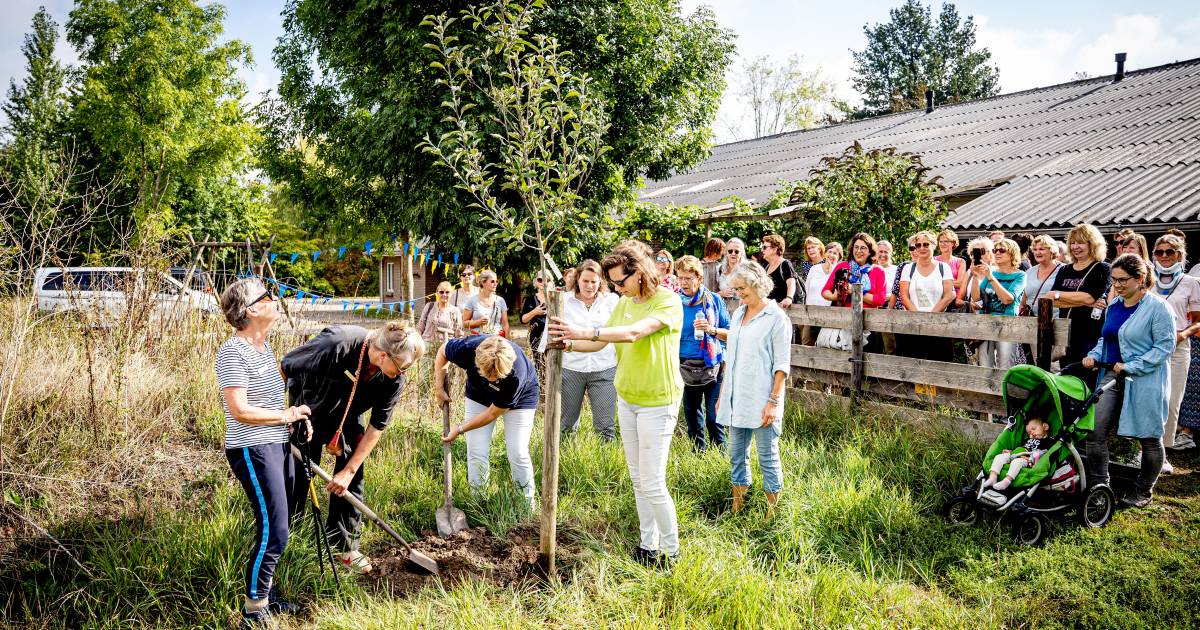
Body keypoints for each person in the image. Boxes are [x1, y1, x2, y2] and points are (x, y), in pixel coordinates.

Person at [548, 241, 685, 566]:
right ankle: (647, 545)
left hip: (658, 400)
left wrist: (584, 329)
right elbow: (599, 343)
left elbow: (636, 333)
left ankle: (672, 551)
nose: (618, 288)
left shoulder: (668, 302)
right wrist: (569, 344)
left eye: (621, 281)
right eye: (614, 284)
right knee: (638, 478)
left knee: (653, 481)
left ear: (640, 273)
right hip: (629, 398)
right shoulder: (624, 303)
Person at [282, 320, 425, 574]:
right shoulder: (336, 343)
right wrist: (283, 414)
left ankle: (344, 546)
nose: (404, 372)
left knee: (353, 473)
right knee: (298, 475)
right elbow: (286, 366)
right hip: (308, 408)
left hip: (349, 416)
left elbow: (376, 427)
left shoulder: (393, 378)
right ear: (383, 354)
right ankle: (287, 539)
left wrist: (347, 471)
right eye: (403, 367)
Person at [216, 279, 310, 627]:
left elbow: (268, 403)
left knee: (279, 525)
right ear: (251, 310)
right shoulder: (232, 352)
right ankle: (254, 612)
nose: (275, 300)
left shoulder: (263, 349)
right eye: (268, 297)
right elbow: (239, 409)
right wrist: (284, 415)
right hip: (252, 449)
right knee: (275, 530)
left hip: (276, 443)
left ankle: (268, 596)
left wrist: (293, 419)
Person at [1082, 254, 1175, 508]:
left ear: (1140, 278)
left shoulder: (1159, 308)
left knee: (1149, 436)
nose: (1117, 285)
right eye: (1114, 280)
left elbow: (1164, 347)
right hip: (1112, 376)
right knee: (1095, 431)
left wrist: (1131, 366)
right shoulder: (1114, 306)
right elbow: (1107, 339)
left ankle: (1143, 490)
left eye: (1123, 280)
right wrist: (1093, 355)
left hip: (1144, 379)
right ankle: (1101, 487)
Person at [711, 262, 790, 518]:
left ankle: (771, 513)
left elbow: (781, 365)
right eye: (735, 289)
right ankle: (737, 507)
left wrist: (773, 402)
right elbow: (731, 357)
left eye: (742, 288)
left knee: (767, 457)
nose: (738, 293)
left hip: (763, 398)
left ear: (757, 284)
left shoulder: (776, 318)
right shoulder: (737, 314)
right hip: (737, 398)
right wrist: (723, 395)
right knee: (736, 455)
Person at [436, 335, 540, 507]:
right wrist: (439, 388)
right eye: (487, 373)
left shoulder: (516, 373)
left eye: (496, 375)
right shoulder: (468, 349)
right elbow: (442, 351)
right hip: (478, 395)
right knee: (476, 450)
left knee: (518, 451)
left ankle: (525, 505)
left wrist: (460, 428)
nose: (491, 379)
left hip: (521, 399)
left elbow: (493, 413)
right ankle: (478, 503)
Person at [560, 260, 620, 441]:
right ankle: (566, 463)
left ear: (601, 281)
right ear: (577, 279)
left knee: (605, 426)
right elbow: (552, 335)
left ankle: (607, 464)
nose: (590, 286)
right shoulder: (564, 301)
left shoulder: (611, 301)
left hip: (604, 367)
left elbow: (615, 333)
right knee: (567, 425)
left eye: (594, 281)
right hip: (571, 368)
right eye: (585, 281)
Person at [1152, 234, 1200, 461]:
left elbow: (1198, 321)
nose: (1164, 256)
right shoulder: (1148, 280)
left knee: (1171, 402)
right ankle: (1144, 451)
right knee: (1150, 399)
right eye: (1159, 252)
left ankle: (1162, 452)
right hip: (1148, 346)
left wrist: (1182, 334)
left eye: (1169, 252)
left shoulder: (1191, 283)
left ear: (1179, 255)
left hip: (1178, 348)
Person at [676, 255, 730, 450]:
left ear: (699, 278)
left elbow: (729, 332)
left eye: (688, 278)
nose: (683, 282)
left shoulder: (714, 300)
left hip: (712, 364)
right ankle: (698, 455)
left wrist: (711, 330)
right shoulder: (674, 302)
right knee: (692, 416)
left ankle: (720, 457)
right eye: (680, 277)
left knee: (714, 417)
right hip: (685, 364)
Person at [1050, 224, 1111, 385]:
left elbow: (1089, 298)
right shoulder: (1065, 270)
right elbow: (1051, 298)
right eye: (1073, 242)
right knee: (1067, 378)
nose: (1076, 247)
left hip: (1090, 334)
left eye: (1081, 243)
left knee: (1086, 379)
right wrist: (1080, 300)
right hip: (1067, 334)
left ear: (1092, 244)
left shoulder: (1102, 268)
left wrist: (1061, 296)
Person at [898, 231, 956, 361]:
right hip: (913, 324)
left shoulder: (943, 268)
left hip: (938, 324)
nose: (922, 248)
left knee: (939, 366)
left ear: (933, 246)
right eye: (918, 245)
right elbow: (904, 296)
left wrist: (930, 317)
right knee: (915, 365)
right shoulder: (908, 268)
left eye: (926, 244)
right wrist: (919, 317)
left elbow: (948, 295)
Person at [969, 238, 1026, 370]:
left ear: (1012, 253)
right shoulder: (993, 272)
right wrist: (976, 277)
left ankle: (1003, 391)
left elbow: (1007, 299)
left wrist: (990, 277)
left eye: (1002, 250)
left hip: (1007, 324)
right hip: (986, 323)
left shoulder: (1020, 275)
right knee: (985, 366)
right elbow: (976, 297)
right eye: (995, 250)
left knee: (1005, 366)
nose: (997, 253)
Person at [821, 232, 887, 309]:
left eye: (863, 248)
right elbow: (825, 291)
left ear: (870, 252)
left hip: (870, 317)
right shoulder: (842, 266)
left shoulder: (878, 271)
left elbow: (880, 300)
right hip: (844, 315)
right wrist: (836, 297)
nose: (858, 251)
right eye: (856, 247)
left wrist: (854, 290)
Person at [984, 417, 1050, 490]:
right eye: (1029, 433)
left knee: (1016, 462)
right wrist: (1010, 451)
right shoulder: (1027, 440)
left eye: (1033, 429)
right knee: (999, 457)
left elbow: (1044, 454)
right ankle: (993, 477)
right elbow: (1020, 448)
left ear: (1045, 427)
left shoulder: (1048, 441)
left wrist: (1032, 459)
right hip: (1016, 454)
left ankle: (1006, 481)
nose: (1032, 433)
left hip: (1027, 459)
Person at [1020, 235, 1062, 318]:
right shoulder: (1029, 272)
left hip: (1057, 320)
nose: (1037, 252)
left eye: (1041, 249)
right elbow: (1023, 300)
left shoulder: (1064, 270)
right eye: (1035, 249)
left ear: (1052, 251)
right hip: (1031, 320)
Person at [520, 270, 550, 383]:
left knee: (552, 366)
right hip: (537, 338)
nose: (543, 282)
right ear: (536, 282)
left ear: (551, 282)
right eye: (540, 280)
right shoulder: (530, 299)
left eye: (547, 280)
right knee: (539, 366)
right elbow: (523, 320)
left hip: (552, 337)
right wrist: (535, 312)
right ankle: (541, 393)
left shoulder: (555, 297)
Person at [800, 236, 830, 346]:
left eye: (813, 247)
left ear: (820, 248)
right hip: (809, 305)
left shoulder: (826, 263)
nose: (811, 250)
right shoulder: (806, 265)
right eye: (808, 248)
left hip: (825, 306)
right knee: (806, 339)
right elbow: (805, 286)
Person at [462, 269, 510, 337]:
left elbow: (505, 324)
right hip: (478, 339)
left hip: (497, 339)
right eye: (492, 281)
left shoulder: (500, 300)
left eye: (497, 281)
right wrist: (477, 322)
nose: (495, 284)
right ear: (483, 282)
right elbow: (464, 323)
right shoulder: (472, 301)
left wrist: (507, 342)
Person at [956, 237, 994, 311]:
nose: (978, 255)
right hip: (972, 316)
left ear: (990, 253)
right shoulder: (969, 273)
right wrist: (969, 304)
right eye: (974, 252)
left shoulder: (995, 272)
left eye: (982, 251)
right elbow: (958, 301)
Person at [760, 234, 797, 309]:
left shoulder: (785, 264)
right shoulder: (766, 267)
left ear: (775, 249)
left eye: (764, 247)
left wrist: (789, 298)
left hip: (782, 309)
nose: (762, 250)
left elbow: (791, 283)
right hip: (768, 309)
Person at [717, 237, 747, 314]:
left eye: (736, 251)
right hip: (722, 310)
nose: (733, 253)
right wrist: (721, 293)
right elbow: (711, 292)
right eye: (730, 251)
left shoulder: (746, 270)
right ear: (726, 253)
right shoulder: (719, 269)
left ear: (741, 253)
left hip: (741, 310)